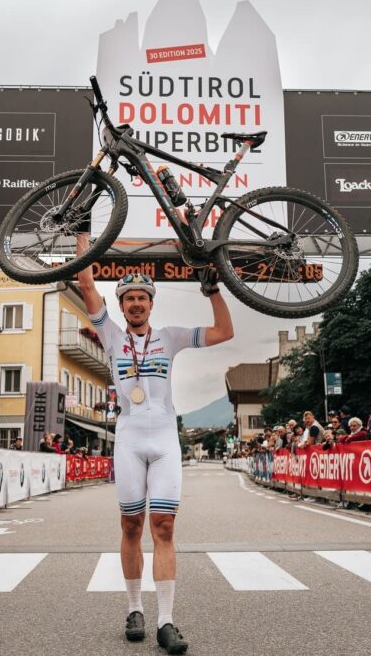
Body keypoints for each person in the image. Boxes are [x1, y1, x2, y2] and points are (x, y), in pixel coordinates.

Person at [78, 233, 233, 655]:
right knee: (131, 526)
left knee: (163, 527)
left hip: (165, 438)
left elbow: (224, 331)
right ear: (122, 304)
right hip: (129, 438)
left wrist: (213, 288)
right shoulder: (109, 335)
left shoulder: (171, 337)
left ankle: (166, 619)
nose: (135, 304)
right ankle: (134, 608)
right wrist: (83, 234)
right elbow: (87, 284)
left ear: (151, 303)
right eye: (128, 298)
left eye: (141, 298)